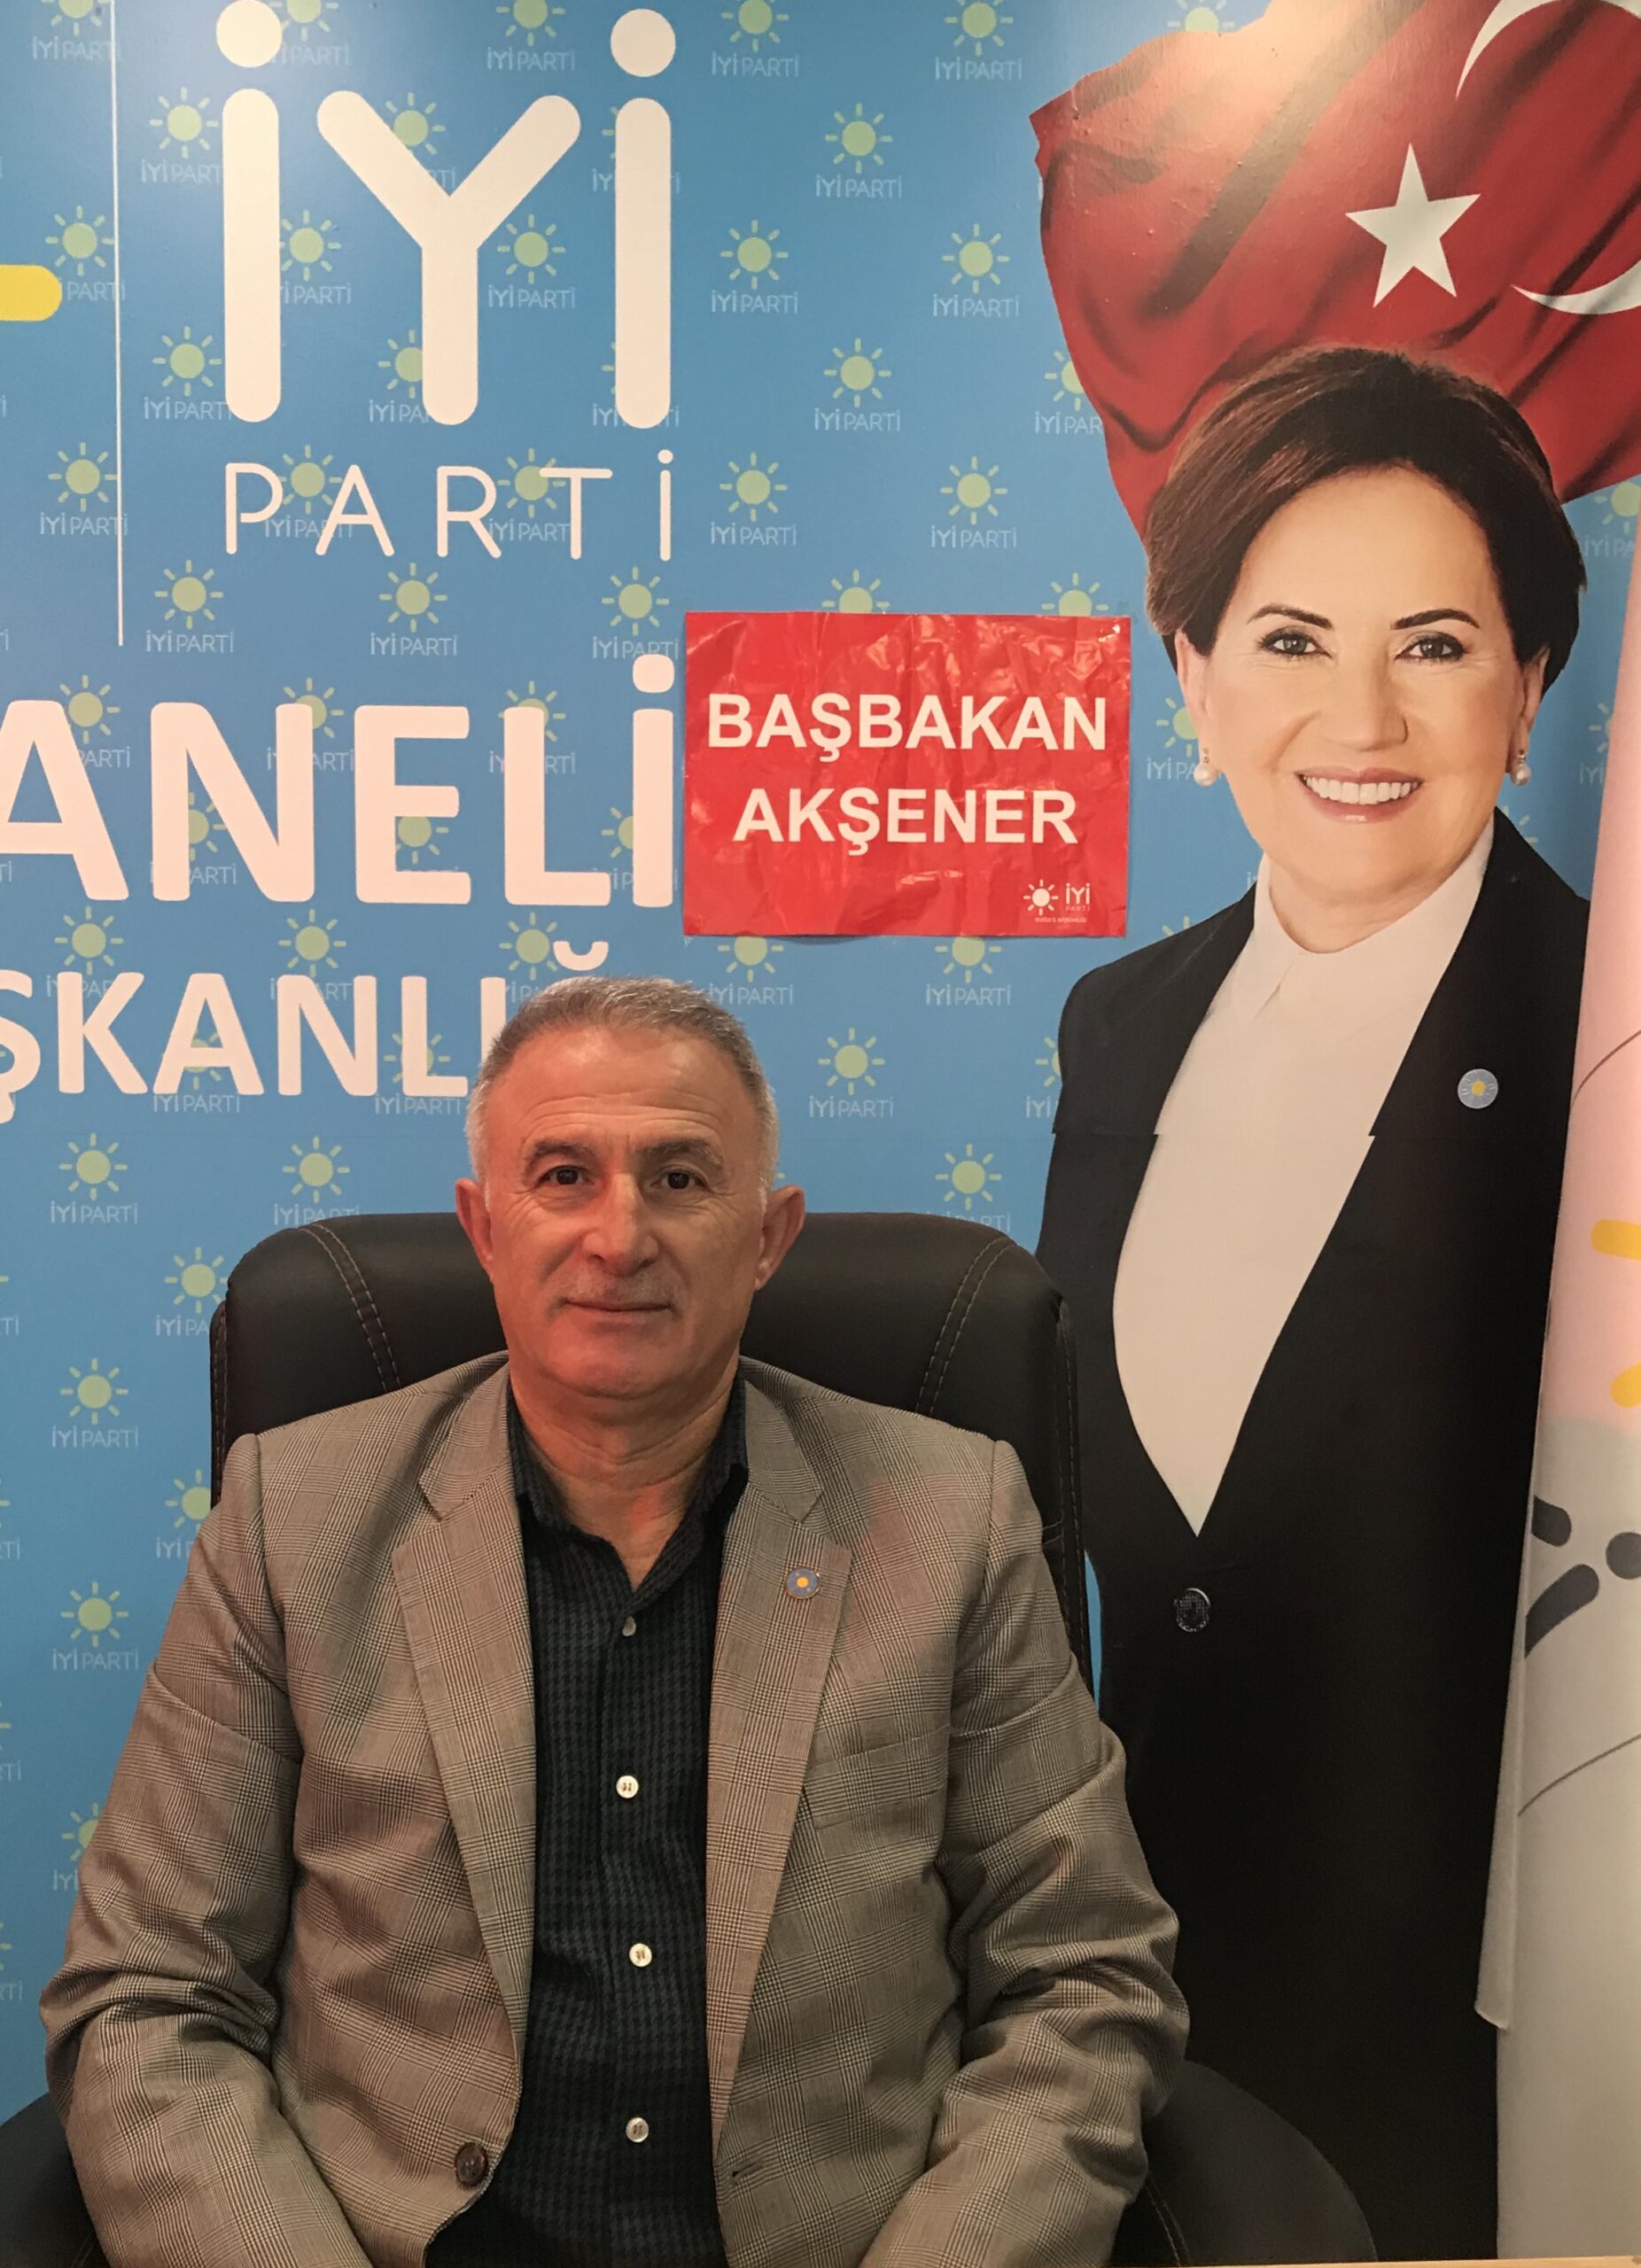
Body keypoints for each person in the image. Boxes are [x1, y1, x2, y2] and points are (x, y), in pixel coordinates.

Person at [41, 975, 1186, 2268]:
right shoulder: (293, 1519)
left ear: (769, 1235)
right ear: (484, 1226)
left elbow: (1085, 1976)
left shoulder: (950, 1519)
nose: (619, 1235)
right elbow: (148, 1997)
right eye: (563, 1176)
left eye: (681, 1180)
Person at [1037, 345, 1589, 2261]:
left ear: (1529, 687)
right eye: (1287, 641)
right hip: (1131, 2020)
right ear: (1189, 679)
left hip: (1487, 2057)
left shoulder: (1609, 1046)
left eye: (1434, 645)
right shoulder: (1119, 1022)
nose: (1359, 716)